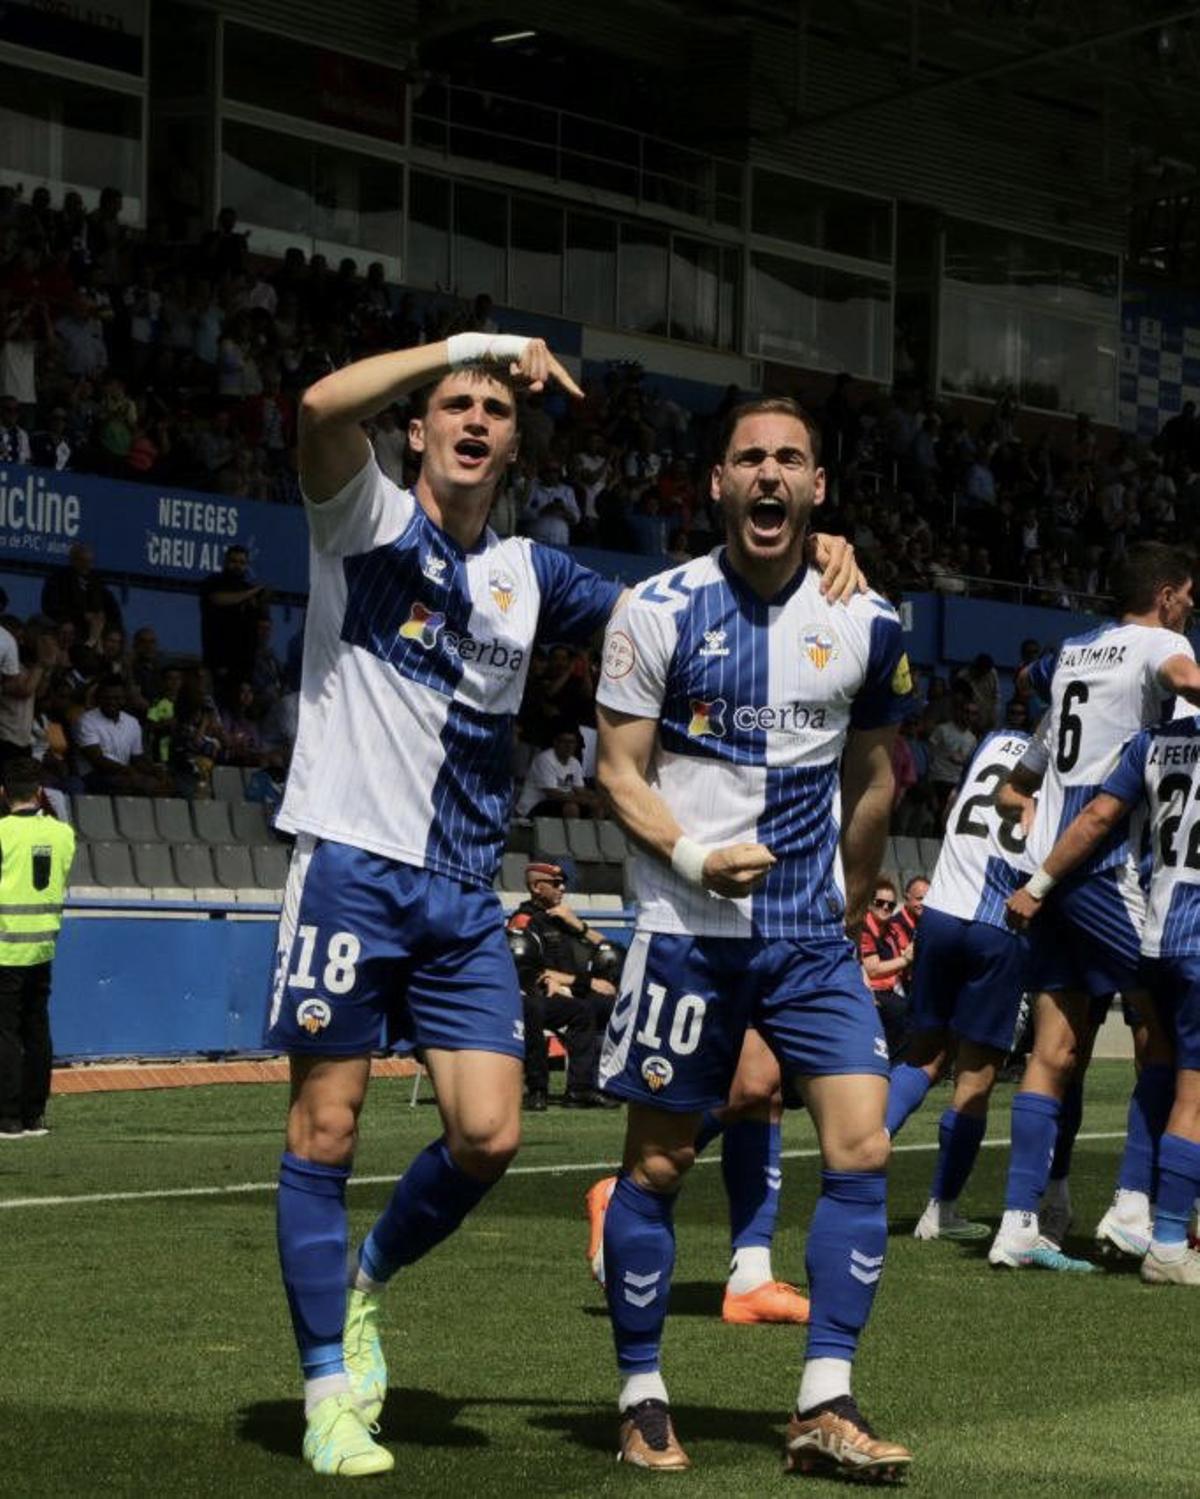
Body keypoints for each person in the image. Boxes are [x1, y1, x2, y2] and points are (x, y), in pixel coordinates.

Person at [261, 331, 864, 1477]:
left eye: (494, 407)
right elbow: (316, 403)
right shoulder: (361, 519)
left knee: (489, 1133)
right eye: (456, 405)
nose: (476, 417)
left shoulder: (532, 577)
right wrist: (466, 344)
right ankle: (327, 1391)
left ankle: (363, 1282)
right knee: (325, 1129)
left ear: (513, 446)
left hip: (460, 890)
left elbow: (675, 616)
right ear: (420, 428)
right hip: (348, 862)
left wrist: (808, 563)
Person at [591, 396, 912, 1479]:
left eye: (789, 461)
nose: (768, 475)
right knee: (662, 1159)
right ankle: (640, 1392)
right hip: (689, 926)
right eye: (748, 459)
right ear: (717, 481)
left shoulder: (869, 621)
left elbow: (873, 774)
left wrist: (854, 897)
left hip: (809, 939)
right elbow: (616, 772)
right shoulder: (654, 609)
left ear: (818, 487)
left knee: (862, 1145)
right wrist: (690, 858)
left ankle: (826, 1397)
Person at [987, 543, 1200, 1272]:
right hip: (1105, 870)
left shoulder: (1075, 651)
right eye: (1190, 598)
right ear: (1169, 595)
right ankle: (1136, 1210)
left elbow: (1030, 690)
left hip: (1050, 867)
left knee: (1056, 1049)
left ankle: (1017, 1223)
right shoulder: (1165, 643)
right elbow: (1185, 675)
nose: (1191, 610)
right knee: (1167, 1037)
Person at [1005, 710, 1200, 1284]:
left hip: (1159, 928)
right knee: (1192, 1093)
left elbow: (1097, 814)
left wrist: (1039, 884)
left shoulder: (1149, 744)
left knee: (1159, 1062)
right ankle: (1164, 1238)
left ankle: (1137, 1207)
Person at [884, 722, 1041, 1242]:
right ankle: (941, 1209)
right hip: (999, 923)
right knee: (975, 1077)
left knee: (924, 1056)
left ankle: (864, 1146)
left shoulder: (994, 741)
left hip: (940, 914)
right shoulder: (1066, 761)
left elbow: (954, 808)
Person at [0, 758, 75, 1137]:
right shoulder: (63, 834)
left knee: (6, 1031)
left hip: (5, 947)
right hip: (43, 945)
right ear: (40, 793)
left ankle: (8, 1116)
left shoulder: (1, 833)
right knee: (37, 1027)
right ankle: (34, 1115)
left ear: (2, 794)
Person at [505, 860, 618, 1110]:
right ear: (536, 886)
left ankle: (608, 1084)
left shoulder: (561, 918)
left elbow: (611, 950)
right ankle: (547, 1089)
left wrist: (580, 925)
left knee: (614, 1007)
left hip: (570, 991)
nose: (563, 888)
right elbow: (529, 970)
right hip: (537, 994)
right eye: (556, 883)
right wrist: (585, 981)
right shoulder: (524, 921)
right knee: (577, 1010)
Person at [858, 876, 913, 1060]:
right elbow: (873, 969)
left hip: (892, 990)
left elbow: (908, 949)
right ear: (869, 903)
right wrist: (905, 960)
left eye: (891, 904)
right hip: (871, 991)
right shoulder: (864, 929)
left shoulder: (891, 929)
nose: (886, 908)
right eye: (880, 903)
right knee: (903, 1011)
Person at [199, 545, 267, 692]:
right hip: (217, 661)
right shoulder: (213, 582)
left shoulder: (249, 589)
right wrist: (251, 594)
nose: (237, 566)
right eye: (234, 561)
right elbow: (219, 599)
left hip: (243, 666)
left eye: (242, 562)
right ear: (225, 562)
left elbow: (257, 629)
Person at [515, 727, 604, 819]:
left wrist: (598, 798)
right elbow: (552, 794)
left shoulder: (574, 762)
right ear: (556, 743)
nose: (569, 746)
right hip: (533, 807)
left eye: (572, 742)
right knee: (571, 807)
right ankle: (572, 833)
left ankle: (593, 833)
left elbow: (580, 789)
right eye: (565, 742)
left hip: (557, 803)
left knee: (599, 805)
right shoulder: (545, 759)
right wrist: (584, 800)